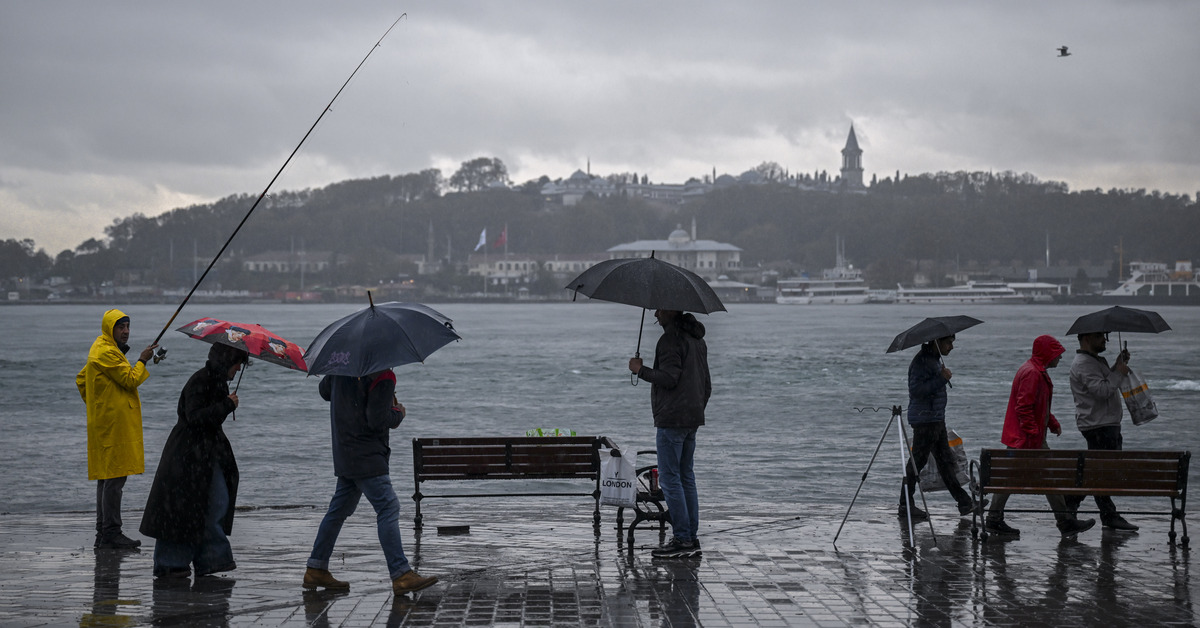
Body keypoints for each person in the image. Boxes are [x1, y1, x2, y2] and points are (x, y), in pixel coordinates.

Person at [303, 370, 437, 595]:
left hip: (345, 451)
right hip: (368, 456)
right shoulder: (383, 375)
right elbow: (377, 420)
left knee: (338, 511)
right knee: (388, 507)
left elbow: (324, 391)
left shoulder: (340, 369)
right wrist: (397, 413)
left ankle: (316, 567)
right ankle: (401, 573)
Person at [140, 343, 247, 578]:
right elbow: (195, 416)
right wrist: (227, 405)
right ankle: (177, 563)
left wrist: (225, 404)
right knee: (187, 511)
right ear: (227, 360)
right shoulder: (201, 380)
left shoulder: (215, 380)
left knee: (208, 505)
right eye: (238, 362)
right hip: (188, 456)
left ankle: (206, 560)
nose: (239, 368)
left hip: (201, 455)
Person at [984, 335, 1096, 538]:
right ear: (1048, 354)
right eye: (1057, 354)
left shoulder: (1034, 370)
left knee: (1012, 478)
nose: (1060, 359)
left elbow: (1037, 406)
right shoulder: (1033, 373)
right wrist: (1034, 432)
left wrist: (1051, 423)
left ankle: (994, 519)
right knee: (1048, 478)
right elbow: (1023, 407)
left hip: (1023, 438)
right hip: (1027, 440)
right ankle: (1065, 521)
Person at [628, 309, 711, 559]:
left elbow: (670, 378)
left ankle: (683, 538)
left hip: (672, 419)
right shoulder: (698, 341)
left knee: (670, 478)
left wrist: (640, 370)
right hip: (692, 418)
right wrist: (696, 409)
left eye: (660, 309)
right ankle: (690, 536)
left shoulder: (670, 341)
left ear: (671, 311)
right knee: (686, 477)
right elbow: (706, 385)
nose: (655, 313)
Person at [76, 309, 157, 550]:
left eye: (127, 327)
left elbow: (82, 379)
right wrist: (142, 360)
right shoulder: (106, 352)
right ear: (110, 328)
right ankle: (111, 532)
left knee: (107, 476)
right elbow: (130, 379)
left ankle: (103, 532)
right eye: (120, 327)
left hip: (107, 422)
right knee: (114, 477)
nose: (125, 331)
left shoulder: (102, 348)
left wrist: (99, 403)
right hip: (113, 426)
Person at [898, 335, 981, 520]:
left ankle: (964, 502)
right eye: (949, 342)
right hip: (925, 420)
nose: (951, 347)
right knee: (916, 463)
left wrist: (940, 376)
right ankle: (905, 505)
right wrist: (942, 379)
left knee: (945, 461)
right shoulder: (922, 362)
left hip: (935, 419)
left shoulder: (933, 360)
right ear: (937, 342)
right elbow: (917, 391)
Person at [1066, 331, 1139, 532]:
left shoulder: (1095, 361)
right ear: (1087, 338)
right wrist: (1119, 372)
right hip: (1098, 425)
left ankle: (1075, 503)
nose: (1105, 340)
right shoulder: (1083, 364)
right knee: (1100, 472)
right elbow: (1103, 391)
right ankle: (1103, 513)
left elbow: (1107, 382)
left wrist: (1117, 364)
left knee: (1099, 471)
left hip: (1105, 424)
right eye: (1100, 336)